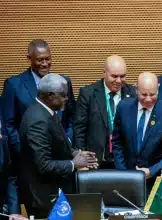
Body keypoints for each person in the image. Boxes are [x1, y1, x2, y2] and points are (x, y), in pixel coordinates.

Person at [1, 39, 76, 214]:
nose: (45, 63)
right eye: (40, 59)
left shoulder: (62, 82)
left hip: (61, 166)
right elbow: (9, 125)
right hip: (33, 165)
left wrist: (68, 146)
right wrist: (29, 150)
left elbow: (70, 117)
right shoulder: (14, 85)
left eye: (48, 59)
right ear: (29, 58)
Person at [18, 74, 97, 218]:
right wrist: (74, 164)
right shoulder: (38, 121)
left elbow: (55, 144)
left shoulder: (46, 111)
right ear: (49, 95)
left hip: (53, 192)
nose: (67, 98)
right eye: (63, 95)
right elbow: (44, 165)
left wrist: (75, 153)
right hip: (43, 197)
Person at [112, 72, 162, 197]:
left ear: (158, 88)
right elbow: (117, 143)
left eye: (152, 94)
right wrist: (124, 174)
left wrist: (152, 171)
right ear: (136, 89)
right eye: (143, 94)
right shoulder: (123, 107)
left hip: (159, 184)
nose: (148, 99)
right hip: (128, 181)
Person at [73, 55, 136, 169]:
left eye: (122, 76)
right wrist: (81, 159)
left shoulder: (133, 94)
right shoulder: (88, 94)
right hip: (95, 161)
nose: (118, 81)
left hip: (124, 162)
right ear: (104, 73)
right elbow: (79, 129)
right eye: (114, 76)